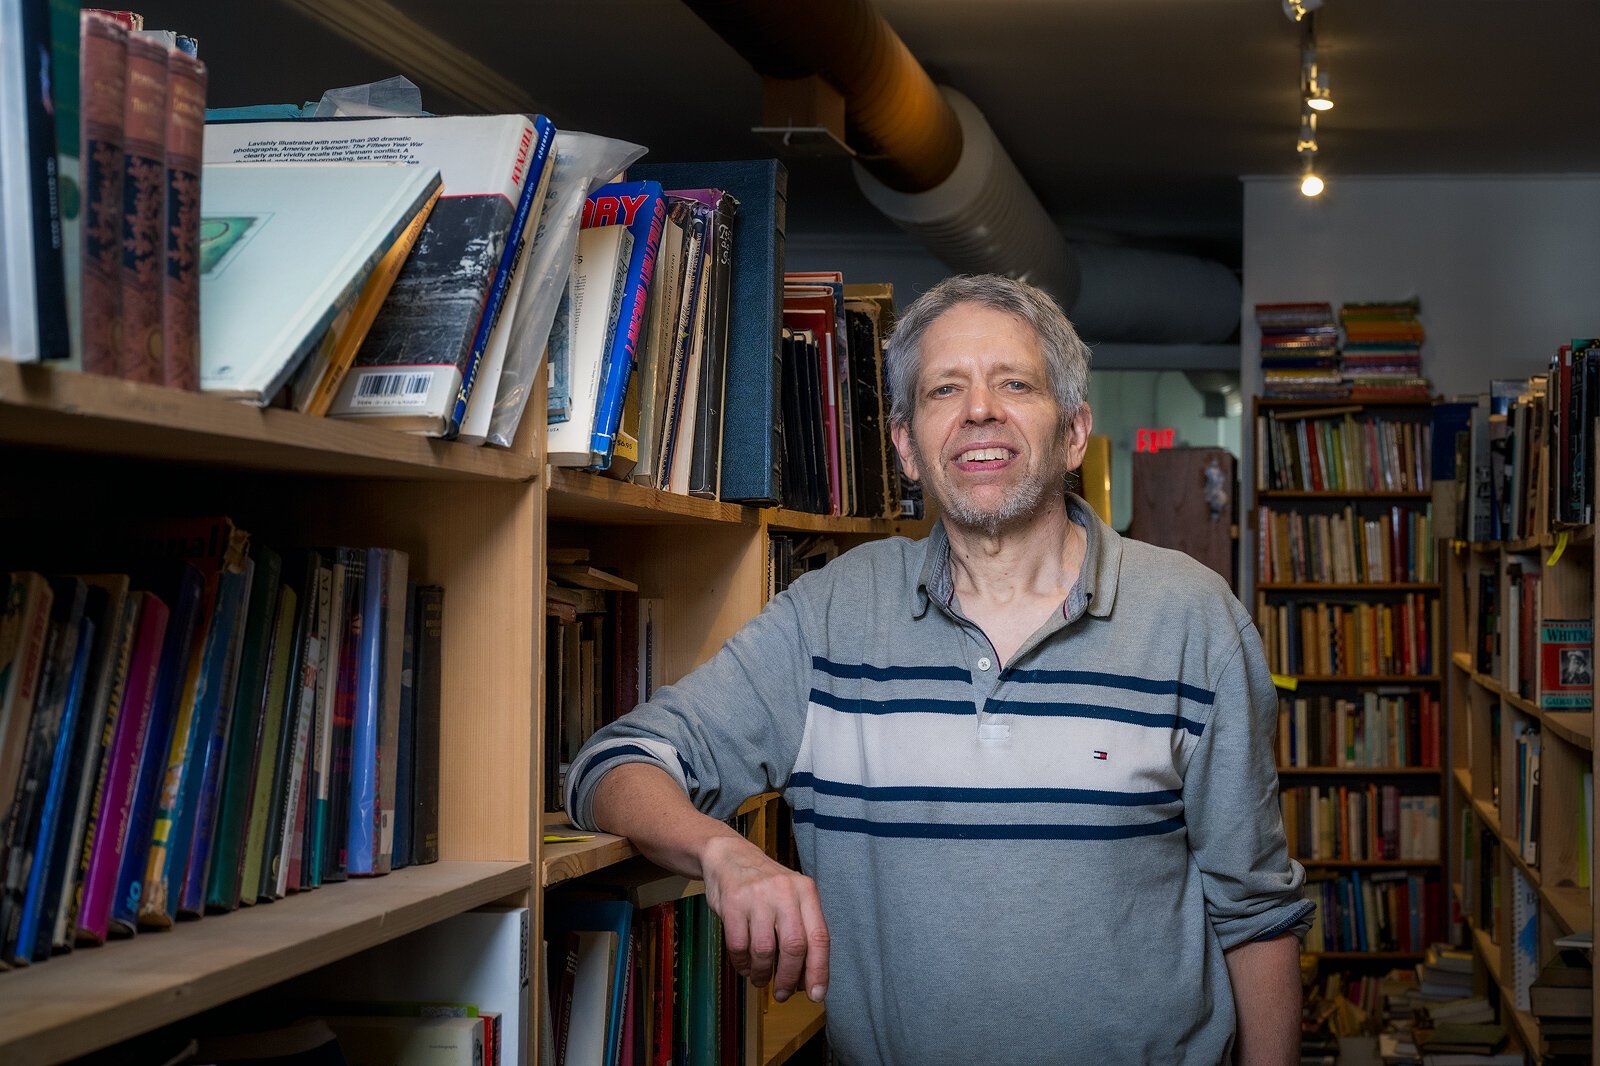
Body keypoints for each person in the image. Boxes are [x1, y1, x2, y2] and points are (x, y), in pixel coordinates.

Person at [566, 274, 1312, 1065]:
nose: (979, 410)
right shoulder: (829, 617)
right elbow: (610, 767)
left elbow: (1255, 910)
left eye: (1015, 384)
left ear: (1073, 432)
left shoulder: (1193, 618)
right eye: (944, 389)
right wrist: (726, 853)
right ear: (907, 448)